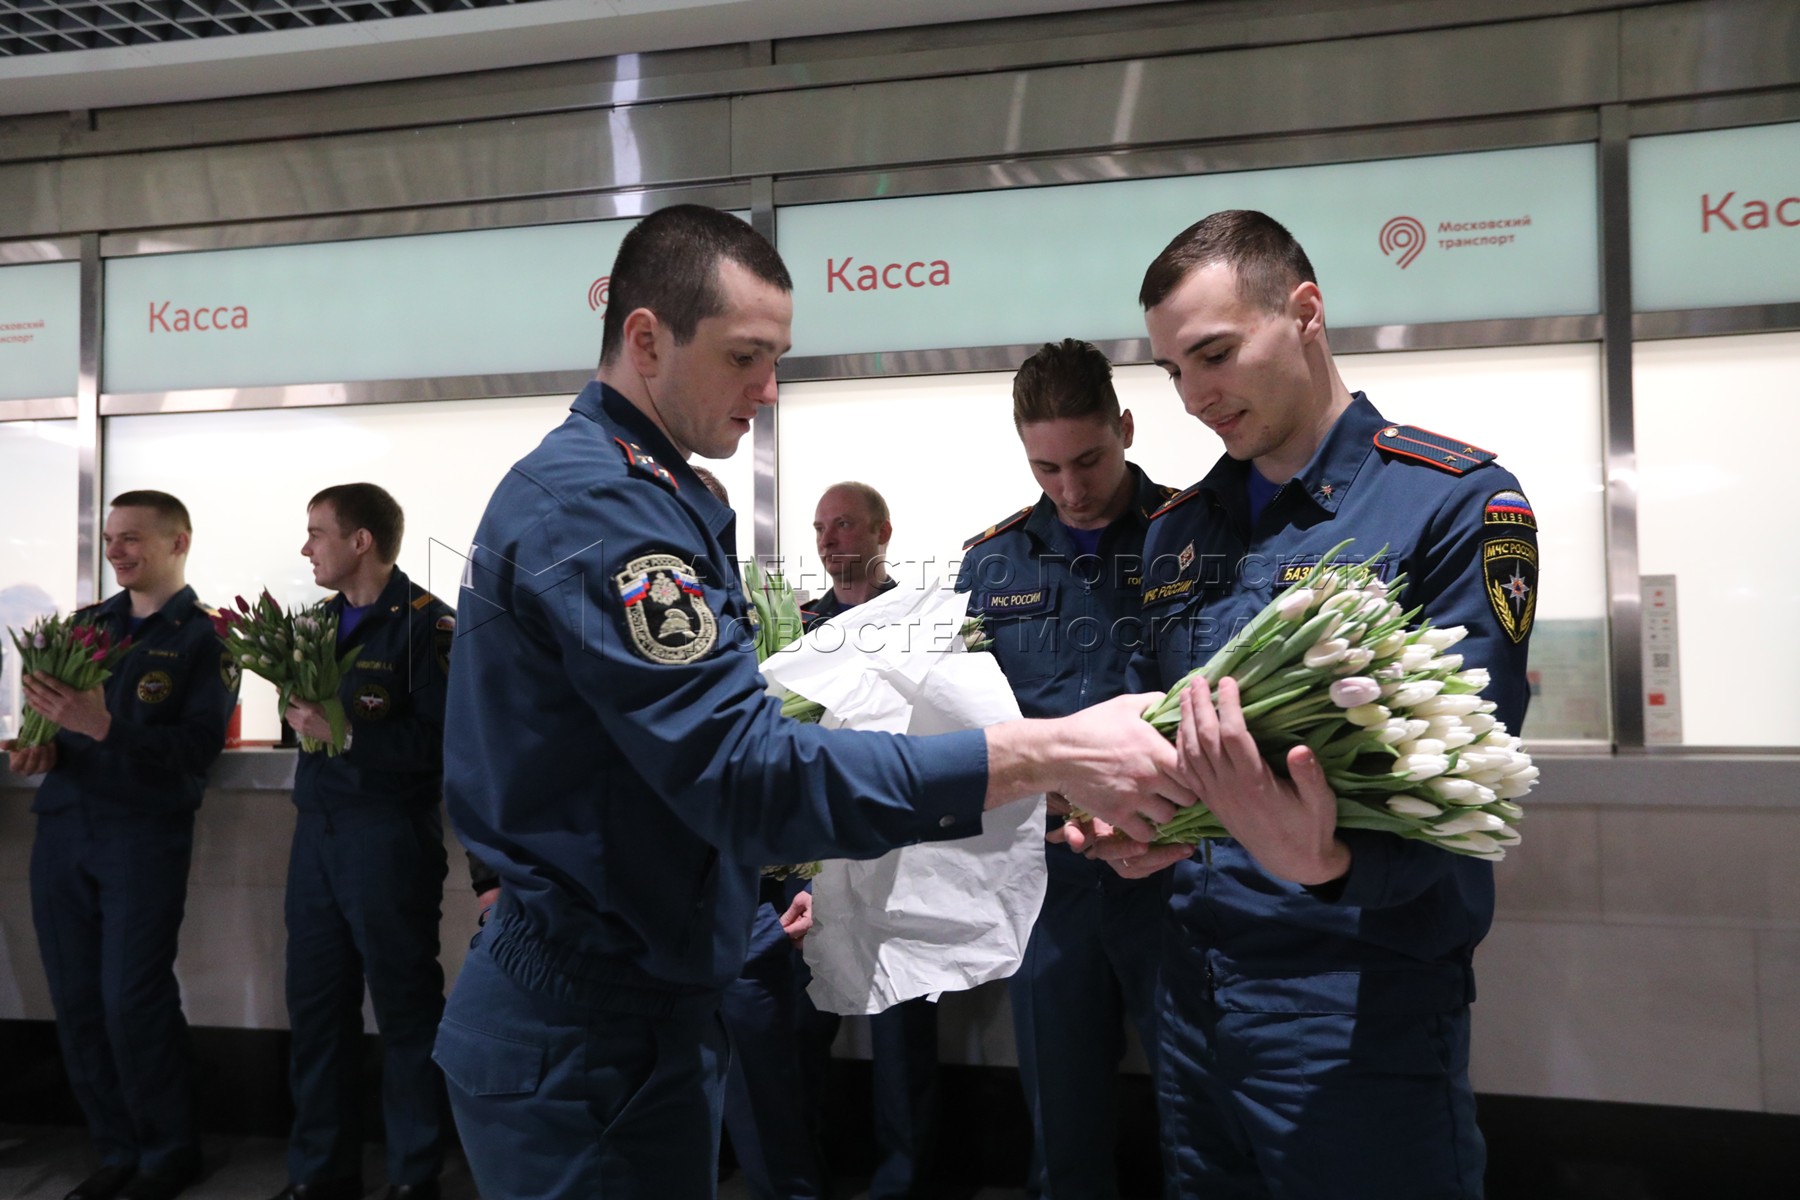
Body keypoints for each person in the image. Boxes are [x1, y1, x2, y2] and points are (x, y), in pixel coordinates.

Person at [432, 203, 1188, 1200]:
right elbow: (740, 771)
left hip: (633, 994)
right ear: (647, 339)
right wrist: (1042, 754)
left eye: (776, 358)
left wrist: (763, 880)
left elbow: (653, 777)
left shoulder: (644, 494)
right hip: (589, 1017)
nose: (768, 388)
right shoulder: (602, 509)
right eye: (745, 356)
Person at [1077, 209, 1537, 1199]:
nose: (1195, 397)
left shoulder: (1453, 501)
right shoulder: (1176, 532)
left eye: (1215, 355)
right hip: (1192, 993)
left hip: (1353, 998)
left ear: (1307, 314)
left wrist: (1325, 862)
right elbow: (1163, 725)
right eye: (1173, 371)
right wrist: (1142, 819)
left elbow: (1471, 775)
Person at [955, 339, 1173, 1199]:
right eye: (1045, 468)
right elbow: (964, 717)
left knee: (1204, 1112)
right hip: (1048, 881)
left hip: (1176, 872)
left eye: (1088, 460)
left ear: (1126, 428)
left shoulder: (1195, 536)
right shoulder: (991, 563)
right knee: (1061, 1118)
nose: (1071, 489)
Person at [8, 490, 238, 1200]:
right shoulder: (82, 628)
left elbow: (197, 750)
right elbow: (52, 728)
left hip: (142, 834)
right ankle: (115, 1151)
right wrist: (40, 749)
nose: (116, 551)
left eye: (132, 538)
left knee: (131, 1000)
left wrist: (104, 726)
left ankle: (169, 1153)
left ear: (179, 542)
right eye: (111, 538)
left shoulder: (208, 638)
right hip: (64, 828)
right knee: (76, 1001)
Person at [265, 484, 455, 1200]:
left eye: (317, 533)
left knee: (405, 1011)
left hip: (388, 836)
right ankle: (322, 1174)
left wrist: (345, 734)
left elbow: (446, 745)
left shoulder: (428, 626)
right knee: (317, 1010)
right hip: (317, 835)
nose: (306, 548)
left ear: (361, 541)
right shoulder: (314, 625)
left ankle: (414, 1177)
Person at [798, 482, 942, 1200]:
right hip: (813, 850)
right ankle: (803, 1178)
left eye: (846, 525)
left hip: (897, 847)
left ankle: (901, 1182)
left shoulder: (921, 620)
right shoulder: (797, 627)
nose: (829, 540)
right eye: (821, 527)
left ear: (884, 532)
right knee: (800, 1024)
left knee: (900, 1025)